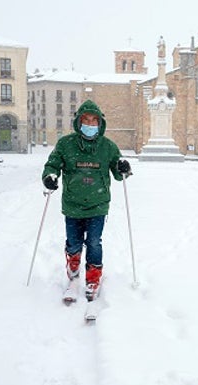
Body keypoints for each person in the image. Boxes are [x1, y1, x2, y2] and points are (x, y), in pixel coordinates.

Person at [42, 99, 132, 301]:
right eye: (86, 120)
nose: (90, 125)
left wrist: (123, 167)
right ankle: (73, 274)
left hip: (98, 205)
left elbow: (118, 172)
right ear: (79, 122)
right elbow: (53, 165)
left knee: (93, 243)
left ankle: (93, 278)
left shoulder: (108, 147)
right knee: (73, 244)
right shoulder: (66, 144)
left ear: (99, 124)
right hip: (72, 205)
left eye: (94, 121)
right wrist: (50, 177)